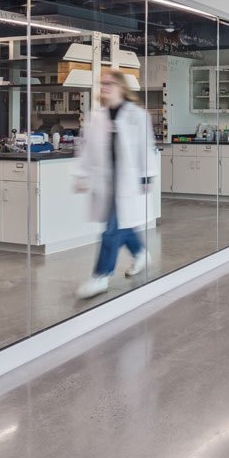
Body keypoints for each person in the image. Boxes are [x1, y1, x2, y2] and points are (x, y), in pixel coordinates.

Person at [74, 69, 155, 300]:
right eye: (102, 83)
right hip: (105, 182)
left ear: (121, 87)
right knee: (122, 224)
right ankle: (140, 253)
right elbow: (86, 148)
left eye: (109, 83)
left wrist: (146, 176)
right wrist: (82, 174)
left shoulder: (137, 115)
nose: (104, 87)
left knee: (112, 229)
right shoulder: (95, 116)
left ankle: (101, 275)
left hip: (128, 181)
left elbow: (146, 148)